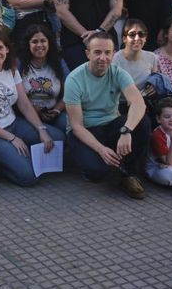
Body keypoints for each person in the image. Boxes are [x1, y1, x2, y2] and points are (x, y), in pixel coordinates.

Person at [0, 28, 60, 187]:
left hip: (12, 123)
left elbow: (24, 104)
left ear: (7, 49)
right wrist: (12, 138)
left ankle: (16, 155)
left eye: (0, 48)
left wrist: (41, 130)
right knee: (29, 176)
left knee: (56, 138)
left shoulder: (12, 69)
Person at [64, 33, 149, 200]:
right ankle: (100, 158)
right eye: (97, 52)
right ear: (87, 53)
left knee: (142, 122)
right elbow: (77, 126)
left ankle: (130, 174)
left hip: (111, 124)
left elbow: (139, 104)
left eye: (107, 52)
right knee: (97, 173)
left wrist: (126, 131)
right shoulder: (74, 79)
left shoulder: (119, 73)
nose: (102, 58)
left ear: (113, 53)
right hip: (85, 130)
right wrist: (101, 149)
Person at [17, 24, 66, 132]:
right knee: (57, 137)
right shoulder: (19, 65)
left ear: (49, 43)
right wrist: (34, 110)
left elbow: (71, 91)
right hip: (27, 116)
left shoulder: (59, 63)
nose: (39, 45)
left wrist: (57, 110)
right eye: (34, 42)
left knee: (69, 126)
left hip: (54, 112)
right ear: (28, 44)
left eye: (43, 41)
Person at [113, 19, 164, 97]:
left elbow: (154, 81)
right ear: (124, 39)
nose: (137, 38)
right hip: (120, 103)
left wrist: (152, 87)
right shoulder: (115, 59)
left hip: (145, 101)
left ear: (145, 38)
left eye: (141, 34)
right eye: (132, 34)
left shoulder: (152, 57)